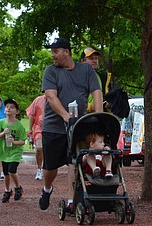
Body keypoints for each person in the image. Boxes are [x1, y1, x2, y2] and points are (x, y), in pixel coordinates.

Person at [38, 37, 103, 213]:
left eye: (55, 52)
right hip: (54, 126)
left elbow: (97, 93)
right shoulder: (50, 71)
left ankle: (71, 201)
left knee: (74, 163)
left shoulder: (86, 71)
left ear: (66, 52)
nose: (53, 56)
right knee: (50, 168)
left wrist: (98, 116)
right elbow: (51, 96)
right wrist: (66, 116)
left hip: (78, 126)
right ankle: (47, 189)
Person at [0, 98, 26, 202]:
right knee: (6, 172)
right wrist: (2, 134)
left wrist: (14, 142)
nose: (9, 109)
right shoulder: (1, 123)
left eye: (12, 107)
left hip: (15, 152)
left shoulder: (19, 125)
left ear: (16, 111)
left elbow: (23, 141)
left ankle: (18, 187)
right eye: (7, 107)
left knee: (12, 170)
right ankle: (7, 190)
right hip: (4, 151)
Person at [25, 94, 46, 180]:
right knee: (39, 148)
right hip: (38, 128)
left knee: (48, 150)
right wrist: (30, 129)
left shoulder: (56, 99)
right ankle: (39, 169)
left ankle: (46, 168)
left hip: (51, 128)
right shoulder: (38, 100)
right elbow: (32, 115)